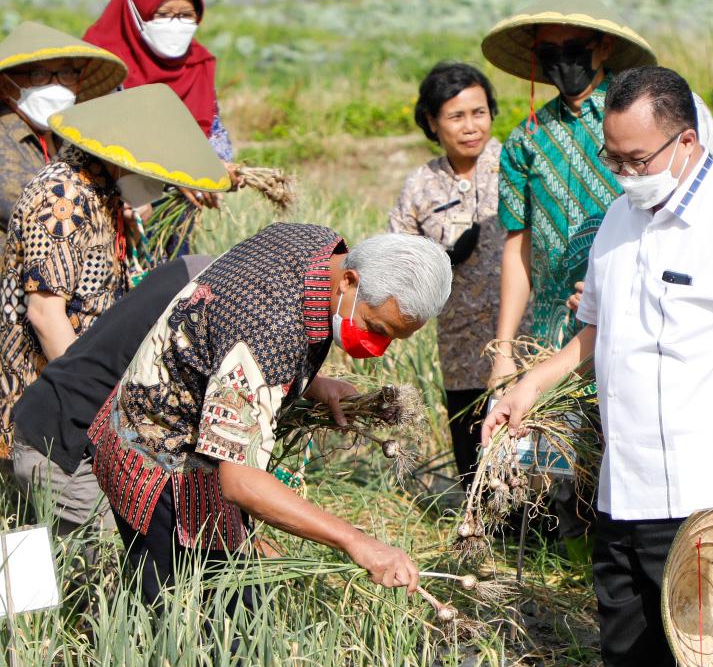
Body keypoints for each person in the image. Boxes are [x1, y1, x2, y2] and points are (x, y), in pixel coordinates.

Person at [483, 67, 713, 667]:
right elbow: (596, 332)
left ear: (686, 142)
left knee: (712, 657)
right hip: (626, 480)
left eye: (636, 159)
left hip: (707, 488)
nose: (624, 172)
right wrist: (530, 385)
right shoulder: (619, 221)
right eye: (613, 156)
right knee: (629, 648)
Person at [481, 0, 713, 550]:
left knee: (624, 436)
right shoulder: (527, 140)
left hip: (636, 307)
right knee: (550, 457)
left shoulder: (633, 119)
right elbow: (518, 247)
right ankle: (570, 551)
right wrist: (503, 345)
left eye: (573, 48)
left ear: (600, 50)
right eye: (549, 53)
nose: (562, 62)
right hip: (553, 322)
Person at [89, 227, 452, 608]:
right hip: (160, 461)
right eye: (376, 329)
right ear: (349, 280)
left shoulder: (317, 246)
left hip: (183, 426)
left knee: (234, 605)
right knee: (192, 621)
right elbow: (241, 482)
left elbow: (225, 337)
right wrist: (357, 541)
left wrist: (311, 382)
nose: (379, 346)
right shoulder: (270, 329)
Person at [0, 84, 231, 495]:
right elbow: (46, 315)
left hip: (75, 402)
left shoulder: (101, 193)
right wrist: (95, 406)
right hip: (50, 404)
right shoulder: (63, 196)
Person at [0, 22, 127, 435]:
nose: (58, 85)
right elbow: (47, 212)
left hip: (27, 349)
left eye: (68, 73)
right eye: (40, 75)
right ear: (7, 86)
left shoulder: (57, 147)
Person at [10, 255, 211, 538]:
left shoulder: (197, 270)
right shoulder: (208, 303)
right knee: (116, 566)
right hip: (67, 448)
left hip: (70, 431)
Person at [389, 62, 502, 483]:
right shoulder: (421, 184)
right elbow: (396, 254)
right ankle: (482, 538)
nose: (471, 126)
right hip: (458, 343)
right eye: (456, 116)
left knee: (524, 454)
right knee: (472, 459)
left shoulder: (515, 166)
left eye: (479, 112)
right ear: (432, 122)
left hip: (521, 339)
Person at [84, 0, 240, 211]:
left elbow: (213, 134)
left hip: (175, 209)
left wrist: (217, 168)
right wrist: (173, 170)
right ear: (136, 11)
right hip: (109, 206)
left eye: (186, 15)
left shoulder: (197, 65)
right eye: (164, 14)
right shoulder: (100, 64)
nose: (175, 24)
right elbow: (95, 140)